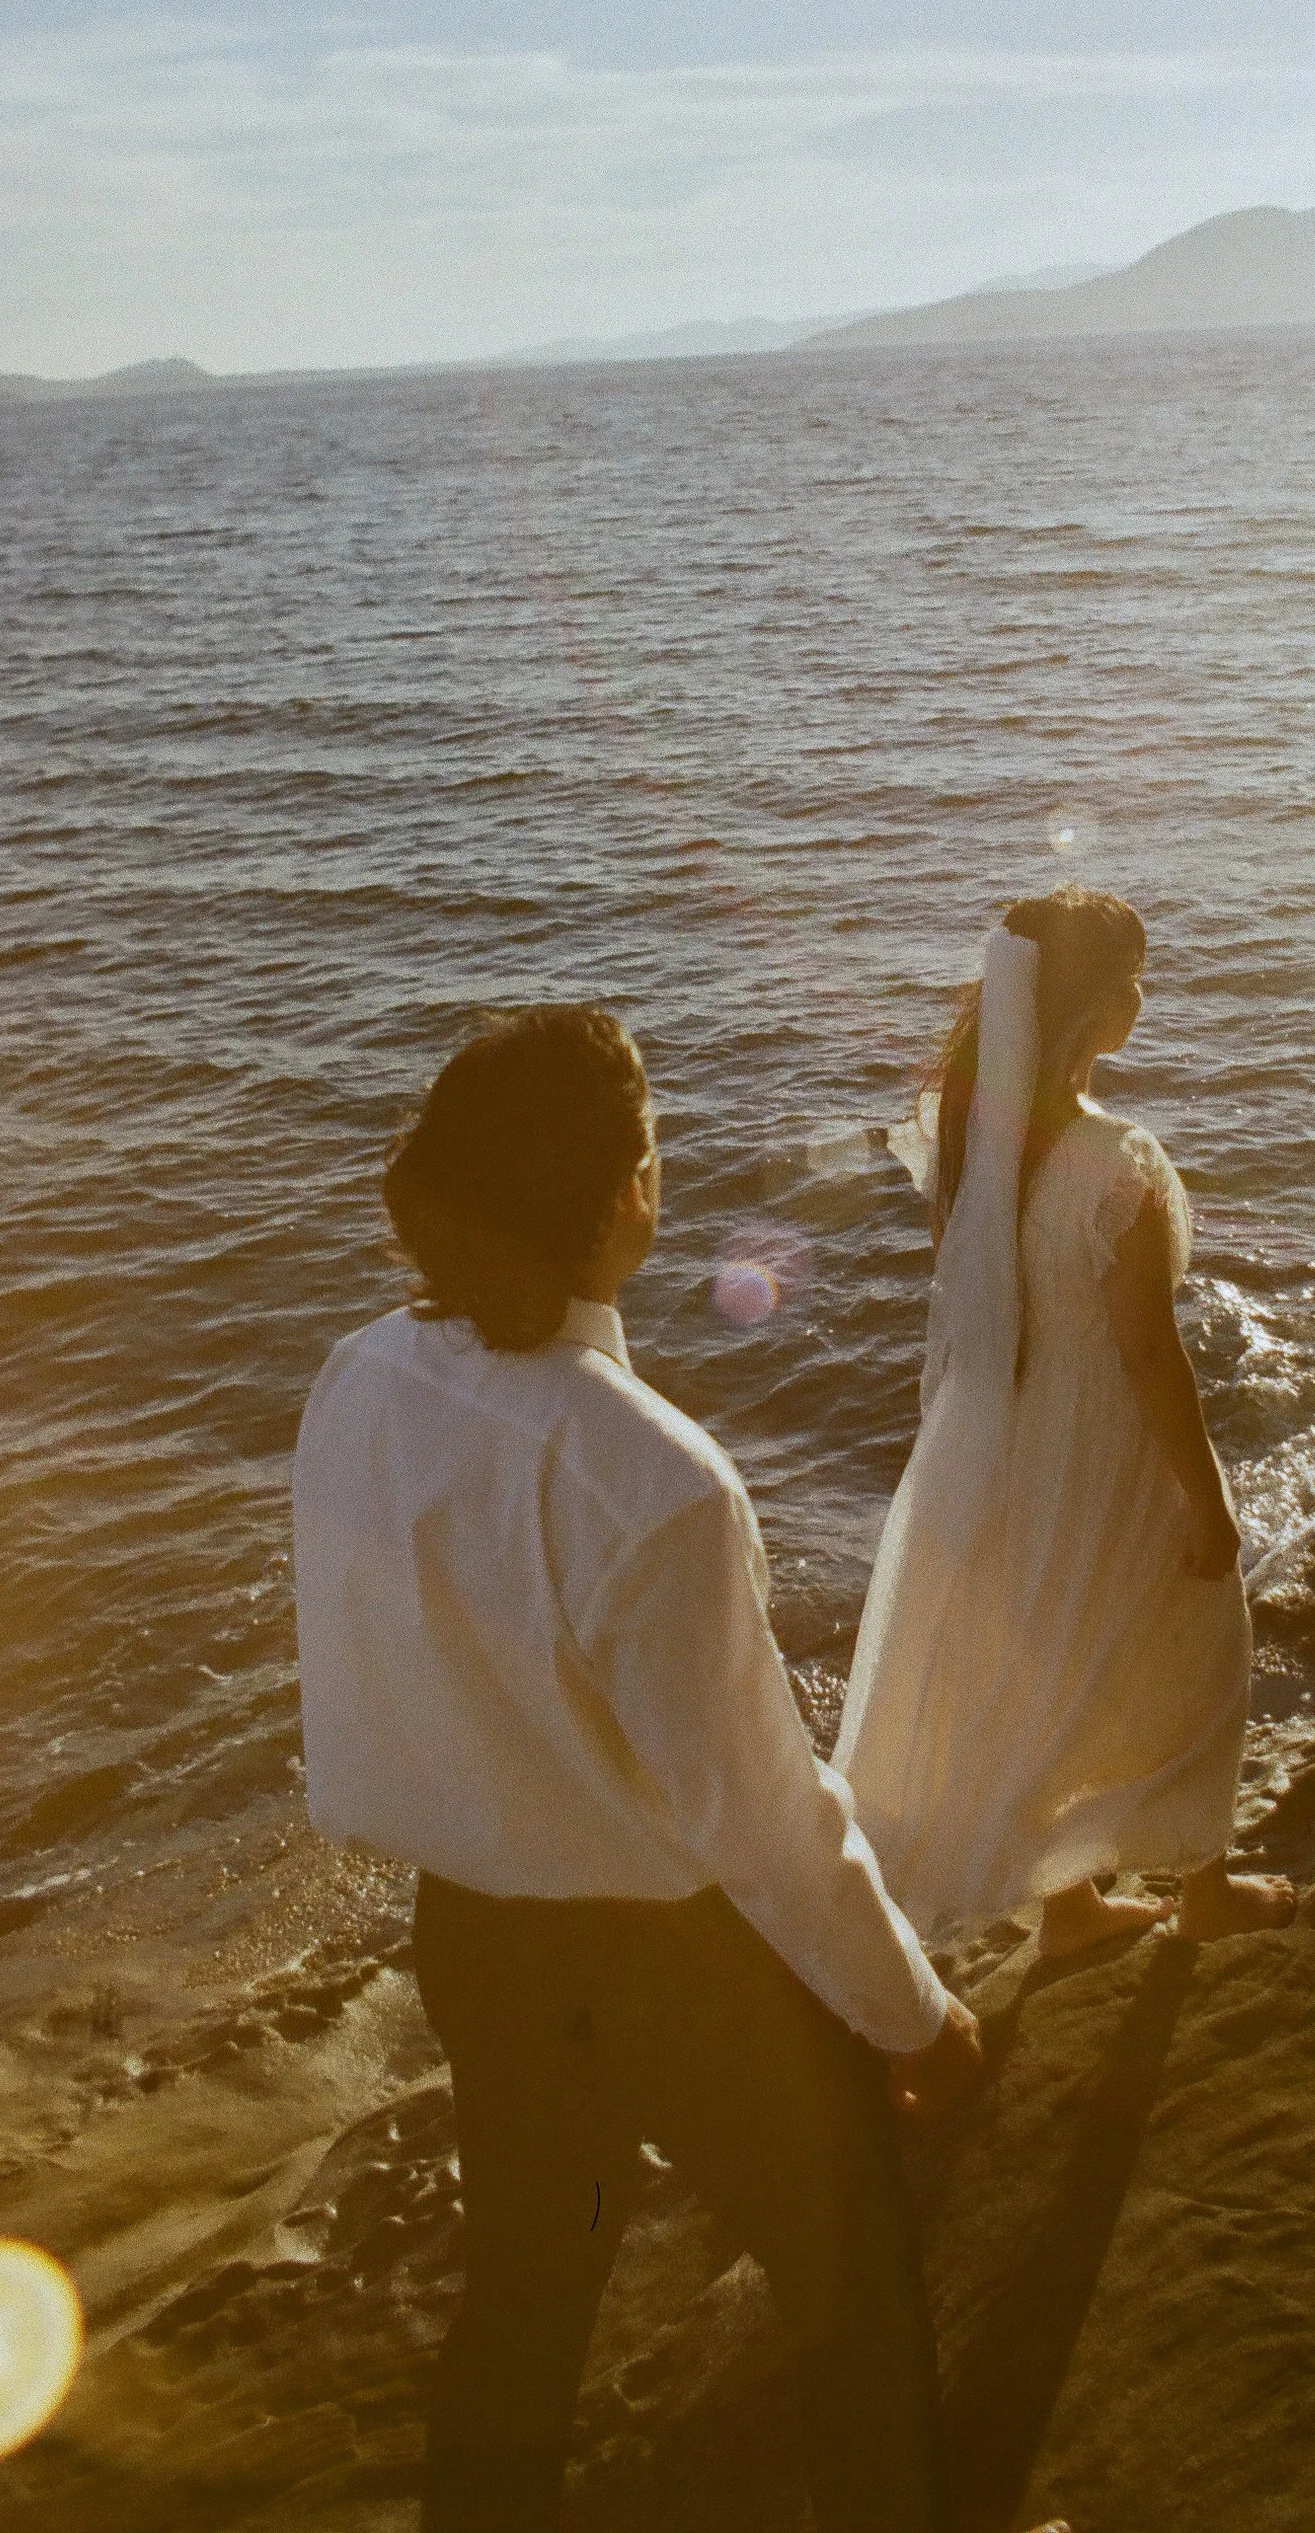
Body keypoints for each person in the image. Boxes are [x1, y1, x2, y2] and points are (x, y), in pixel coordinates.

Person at [291, 1004, 994, 2533]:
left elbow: (368, 1660)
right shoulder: (656, 1480)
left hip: (474, 1939)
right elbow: (767, 1822)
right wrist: (917, 2017)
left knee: (525, 2300)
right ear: (626, 1196)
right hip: (676, 1974)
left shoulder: (358, 1374)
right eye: (654, 1149)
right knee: (850, 2274)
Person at [835, 889, 1297, 1959]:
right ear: (1101, 1011)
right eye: (1134, 980)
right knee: (1197, 1640)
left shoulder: (969, 1141)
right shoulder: (1117, 1162)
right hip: (1106, 1441)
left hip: (1003, 1435)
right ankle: (1206, 1892)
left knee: (1044, 1658)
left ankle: (1073, 1909)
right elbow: (1148, 1352)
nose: (1142, 998)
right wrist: (1206, 1497)